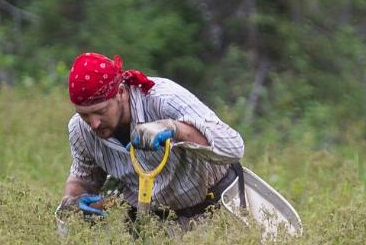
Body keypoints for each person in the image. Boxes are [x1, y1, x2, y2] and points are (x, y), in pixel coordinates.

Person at [56, 52, 245, 225]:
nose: (94, 123)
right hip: (154, 226)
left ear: (121, 92)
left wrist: (174, 129)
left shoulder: (164, 99)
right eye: (84, 115)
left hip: (219, 211)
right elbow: (83, 178)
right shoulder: (80, 129)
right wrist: (73, 202)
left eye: (100, 111)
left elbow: (234, 148)